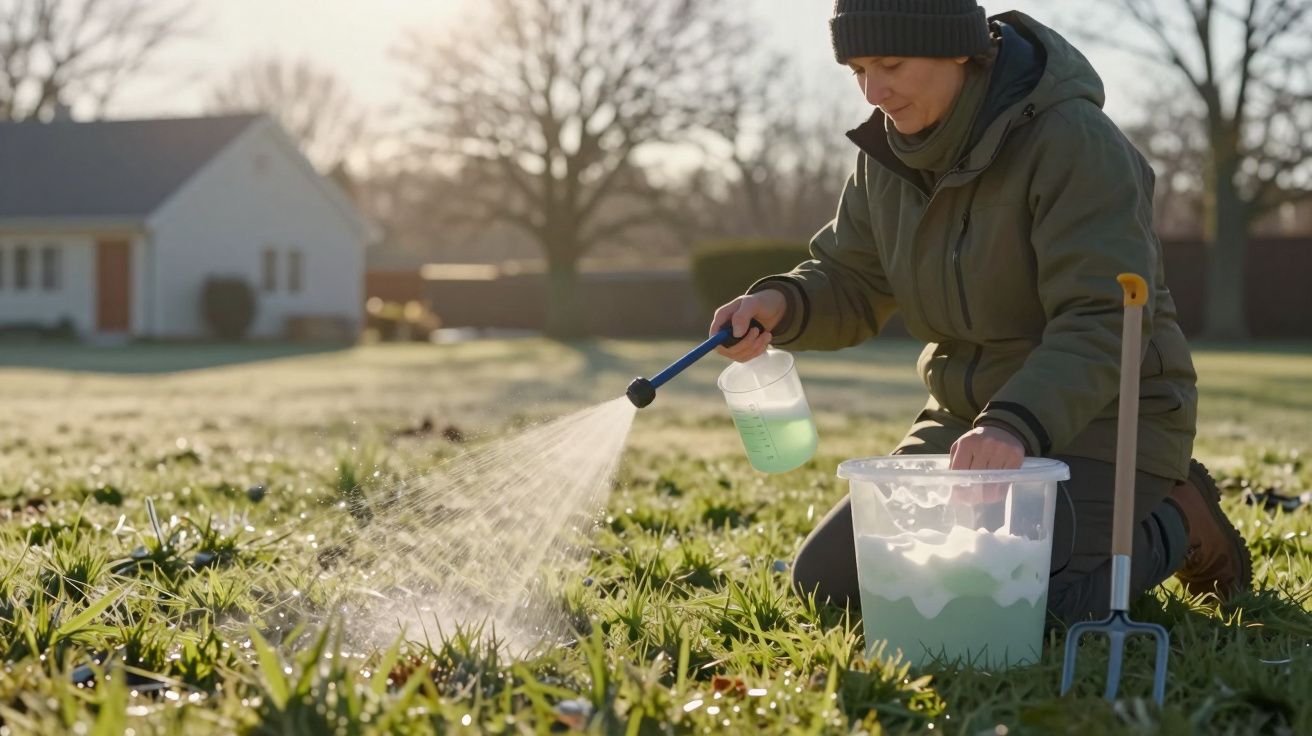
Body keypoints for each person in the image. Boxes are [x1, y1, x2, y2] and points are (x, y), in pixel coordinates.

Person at [709, 1, 1251, 624]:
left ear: (959, 50)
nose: (874, 90)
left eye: (890, 64)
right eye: (857, 69)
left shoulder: (1072, 141)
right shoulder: (884, 158)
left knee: (1018, 606)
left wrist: (1013, 426)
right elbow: (853, 278)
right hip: (966, 427)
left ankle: (1178, 517)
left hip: (1107, 419)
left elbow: (1100, 317)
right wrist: (782, 302)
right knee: (833, 582)